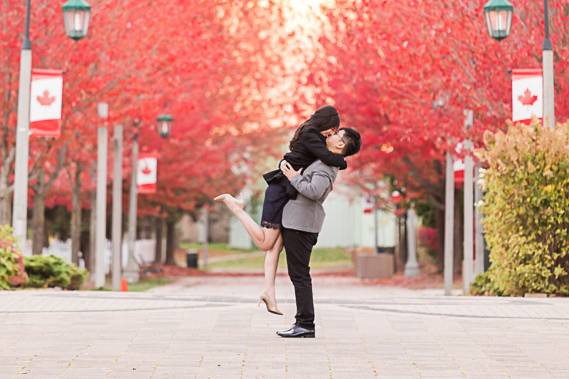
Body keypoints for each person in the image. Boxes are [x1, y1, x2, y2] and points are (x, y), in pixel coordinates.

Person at [214, 106, 347, 315]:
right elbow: (327, 157)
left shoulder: (313, 134)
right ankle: (236, 207)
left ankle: (269, 293)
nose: (331, 134)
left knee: (275, 247)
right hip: (279, 190)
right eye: (331, 130)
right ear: (324, 122)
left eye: (334, 132)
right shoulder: (311, 134)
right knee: (266, 242)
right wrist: (343, 161)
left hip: (288, 192)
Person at [276, 128, 361, 338]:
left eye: (336, 134)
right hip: (299, 222)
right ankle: (304, 323)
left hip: (301, 224)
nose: (330, 135)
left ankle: (305, 324)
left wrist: (294, 177)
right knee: (299, 274)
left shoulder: (326, 165)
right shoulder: (325, 161)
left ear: (340, 144)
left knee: (300, 275)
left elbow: (314, 192)